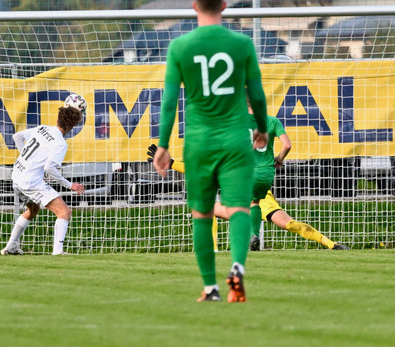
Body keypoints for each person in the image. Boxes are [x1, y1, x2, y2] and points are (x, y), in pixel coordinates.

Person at [153, 0, 269, 302]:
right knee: (240, 209)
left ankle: (210, 287)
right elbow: (256, 95)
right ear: (223, 6)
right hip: (235, 139)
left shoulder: (180, 46)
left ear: (194, 6)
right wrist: (260, 126)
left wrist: (163, 145)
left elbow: (168, 103)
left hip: (199, 143)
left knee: (202, 214)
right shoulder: (242, 44)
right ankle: (237, 268)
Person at [147, 106, 349, 252]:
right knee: (289, 224)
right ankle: (331, 244)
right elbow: (286, 144)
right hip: (262, 191)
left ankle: (215, 250)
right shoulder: (269, 122)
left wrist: (172, 162)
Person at [1, 104, 86, 256]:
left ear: (57, 118)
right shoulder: (60, 143)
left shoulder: (43, 128)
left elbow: (17, 137)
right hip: (30, 181)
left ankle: (10, 248)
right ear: (72, 126)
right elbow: (49, 168)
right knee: (64, 212)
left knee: (33, 210)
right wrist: (68, 185)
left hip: (18, 174)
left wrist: (29, 161)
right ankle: (58, 251)